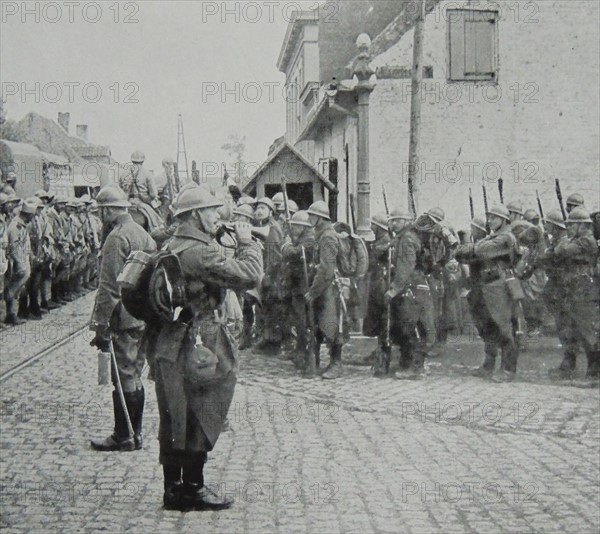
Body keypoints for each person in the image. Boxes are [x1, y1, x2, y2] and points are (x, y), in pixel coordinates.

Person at [143, 185, 263, 511]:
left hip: (169, 343)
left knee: (173, 415)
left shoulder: (172, 244)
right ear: (195, 215)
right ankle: (193, 487)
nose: (217, 215)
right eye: (210, 210)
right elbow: (249, 275)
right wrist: (248, 243)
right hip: (199, 344)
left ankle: (173, 490)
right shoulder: (200, 251)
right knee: (203, 411)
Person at [89, 186, 156, 452]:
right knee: (135, 372)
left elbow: (109, 288)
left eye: (100, 211)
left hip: (123, 318)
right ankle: (134, 433)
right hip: (142, 316)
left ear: (107, 210)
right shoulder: (142, 232)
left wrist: (100, 325)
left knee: (124, 375)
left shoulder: (116, 238)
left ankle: (125, 435)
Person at [454, 205, 521, 381]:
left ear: (504, 220)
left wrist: (473, 247)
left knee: (504, 328)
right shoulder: (493, 237)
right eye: (489, 217)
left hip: (498, 286)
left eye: (494, 217)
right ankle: (489, 365)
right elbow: (461, 255)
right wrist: (472, 248)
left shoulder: (506, 237)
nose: (490, 220)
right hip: (486, 285)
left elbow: (480, 251)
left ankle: (508, 369)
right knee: (487, 326)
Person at [552, 207, 599, 379]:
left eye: (572, 225)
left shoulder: (587, 240)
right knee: (570, 328)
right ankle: (568, 366)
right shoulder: (577, 239)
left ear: (582, 225)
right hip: (575, 289)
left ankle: (594, 372)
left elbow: (562, 250)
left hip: (585, 290)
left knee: (587, 330)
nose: (569, 228)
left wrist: (564, 243)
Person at [305, 201, 346, 379]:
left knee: (332, 325)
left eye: (312, 216)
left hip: (329, 288)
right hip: (324, 285)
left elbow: (326, 269)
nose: (310, 219)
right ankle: (317, 363)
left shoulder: (328, 237)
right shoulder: (322, 234)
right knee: (319, 324)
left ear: (320, 218)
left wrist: (313, 292)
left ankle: (336, 364)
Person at [280, 210, 316, 370]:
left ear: (304, 227)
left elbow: (293, 253)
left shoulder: (309, 240)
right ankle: (299, 350)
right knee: (296, 318)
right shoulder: (302, 238)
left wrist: (287, 244)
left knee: (302, 321)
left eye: (296, 226)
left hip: (304, 286)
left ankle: (304, 352)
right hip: (296, 285)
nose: (293, 229)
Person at [252, 197, 284, 354]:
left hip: (273, 274)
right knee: (265, 307)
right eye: (257, 208)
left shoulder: (273, 229)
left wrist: (268, 275)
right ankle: (268, 339)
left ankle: (274, 343)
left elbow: (273, 256)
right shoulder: (263, 226)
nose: (259, 211)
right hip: (266, 272)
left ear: (271, 212)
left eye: (263, 208)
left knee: (273, 308)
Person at [5, 199, 36, 325]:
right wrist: (20, 264)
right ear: (27, 215)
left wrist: (30, 256)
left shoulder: (22, 226)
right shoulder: (15, 227)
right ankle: (10, 314)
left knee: (18, 290)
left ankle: (15, 313)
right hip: (18, 263)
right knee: (12, 290)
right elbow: (14, 248)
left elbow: (26, 245)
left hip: (24, 261)